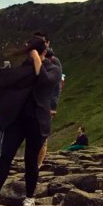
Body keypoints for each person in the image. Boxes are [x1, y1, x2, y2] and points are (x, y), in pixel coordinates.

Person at [0, 37, 62, 206]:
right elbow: (8, 82)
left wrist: (38, 58)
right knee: (6, 156)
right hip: (18, 119)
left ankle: (29, 197)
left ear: (43, 52)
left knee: (30, 160)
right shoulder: (26, 68)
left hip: (37, 121)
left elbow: (44, 82)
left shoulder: (54, 69)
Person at [33, 33, 63, 170]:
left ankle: (37, 164)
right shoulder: (33, 58)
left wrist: (53, 105)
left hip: (46, 104)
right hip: (34, 102)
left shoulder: (54, 61)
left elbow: (57, 86)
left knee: (42, 135)